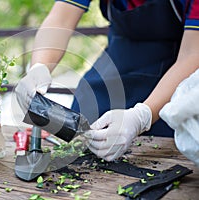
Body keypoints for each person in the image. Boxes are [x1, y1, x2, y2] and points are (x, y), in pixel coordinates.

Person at [15, 0, 199, 161]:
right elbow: (61, 19)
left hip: (180, 65)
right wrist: (39, 66)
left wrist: (143, 116)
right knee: (85, 125)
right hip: (120, 54)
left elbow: (192, 53)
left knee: (171, 144)